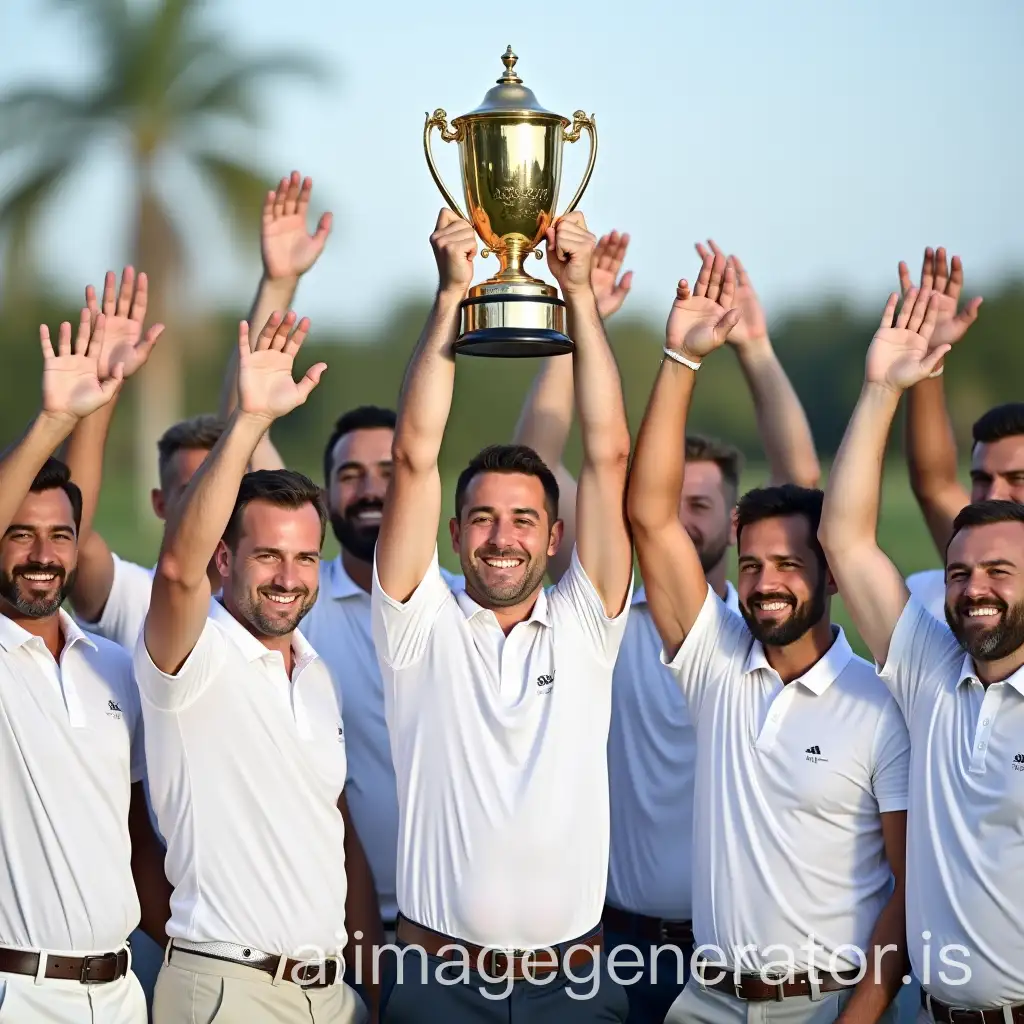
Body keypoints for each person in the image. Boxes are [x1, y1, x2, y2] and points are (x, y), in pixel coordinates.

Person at [514, 239, 821, 1022]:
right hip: (615, 940)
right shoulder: (603, 602)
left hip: (737, 952)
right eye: (670, 502)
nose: (681, 522)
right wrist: (576, 326)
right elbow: (530, 465)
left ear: (737, 518)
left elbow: (807, 489)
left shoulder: (754, 629)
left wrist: (753, 347)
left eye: (702, 507)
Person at [628, 258, 910, 1024]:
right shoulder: (716, 663)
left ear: (833, 576)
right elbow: (650, 518)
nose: (765, 582)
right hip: (705, 1004)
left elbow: (909, 885)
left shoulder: (882, 702)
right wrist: (682, 358)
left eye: (788, 564)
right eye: (750, 564)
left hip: (827, 1007)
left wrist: (860, 1015)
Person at [370, 209, 634, 1023]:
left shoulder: (589, 622)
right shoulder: (418, 626)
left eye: (524, 520)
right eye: (482, 518)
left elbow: (608, 454)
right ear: (453, 534)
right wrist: (452, 295)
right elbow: (415, 451)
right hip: (437, 985)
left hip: (576, 986)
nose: (502, 537)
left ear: (556, 537)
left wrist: (580, 297)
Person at [134, 312, 378, 1024]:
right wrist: (247, 423)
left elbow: (329, 838)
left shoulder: (317, 675)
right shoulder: (191, 657)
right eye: (267, 554)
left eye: (305, 558)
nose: (288, 576)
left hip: (329, 994)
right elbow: (176, 569)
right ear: (225, 559)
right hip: (228, 990)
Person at [820, 286, 1024, 1021]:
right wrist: (880, 390)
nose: (974, 590)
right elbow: (843, 539)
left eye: (1000, 574)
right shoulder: (932, 672)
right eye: (961, 573)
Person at [68, 170, 330, 652]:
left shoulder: (280, 599)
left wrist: (279, 281)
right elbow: (72, 535)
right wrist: (99, 396)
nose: (215, 500)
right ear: (161, 503)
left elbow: (245, 415)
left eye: (225, 485)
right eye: (192, 490)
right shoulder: (134, 595)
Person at [0, 312, 170, 1023]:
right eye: (20, 534)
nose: (42, 554)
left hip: (122, 991)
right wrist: (53, 418)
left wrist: (101, 404)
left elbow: (134, 834)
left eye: (60, 536)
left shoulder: (113, 666)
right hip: (19, 993)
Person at [896, 246, 987, 619]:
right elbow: (934, 483)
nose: (996, 493)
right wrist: (930, 356)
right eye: (982, 478)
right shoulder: (979, 549)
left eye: (1018, 478)